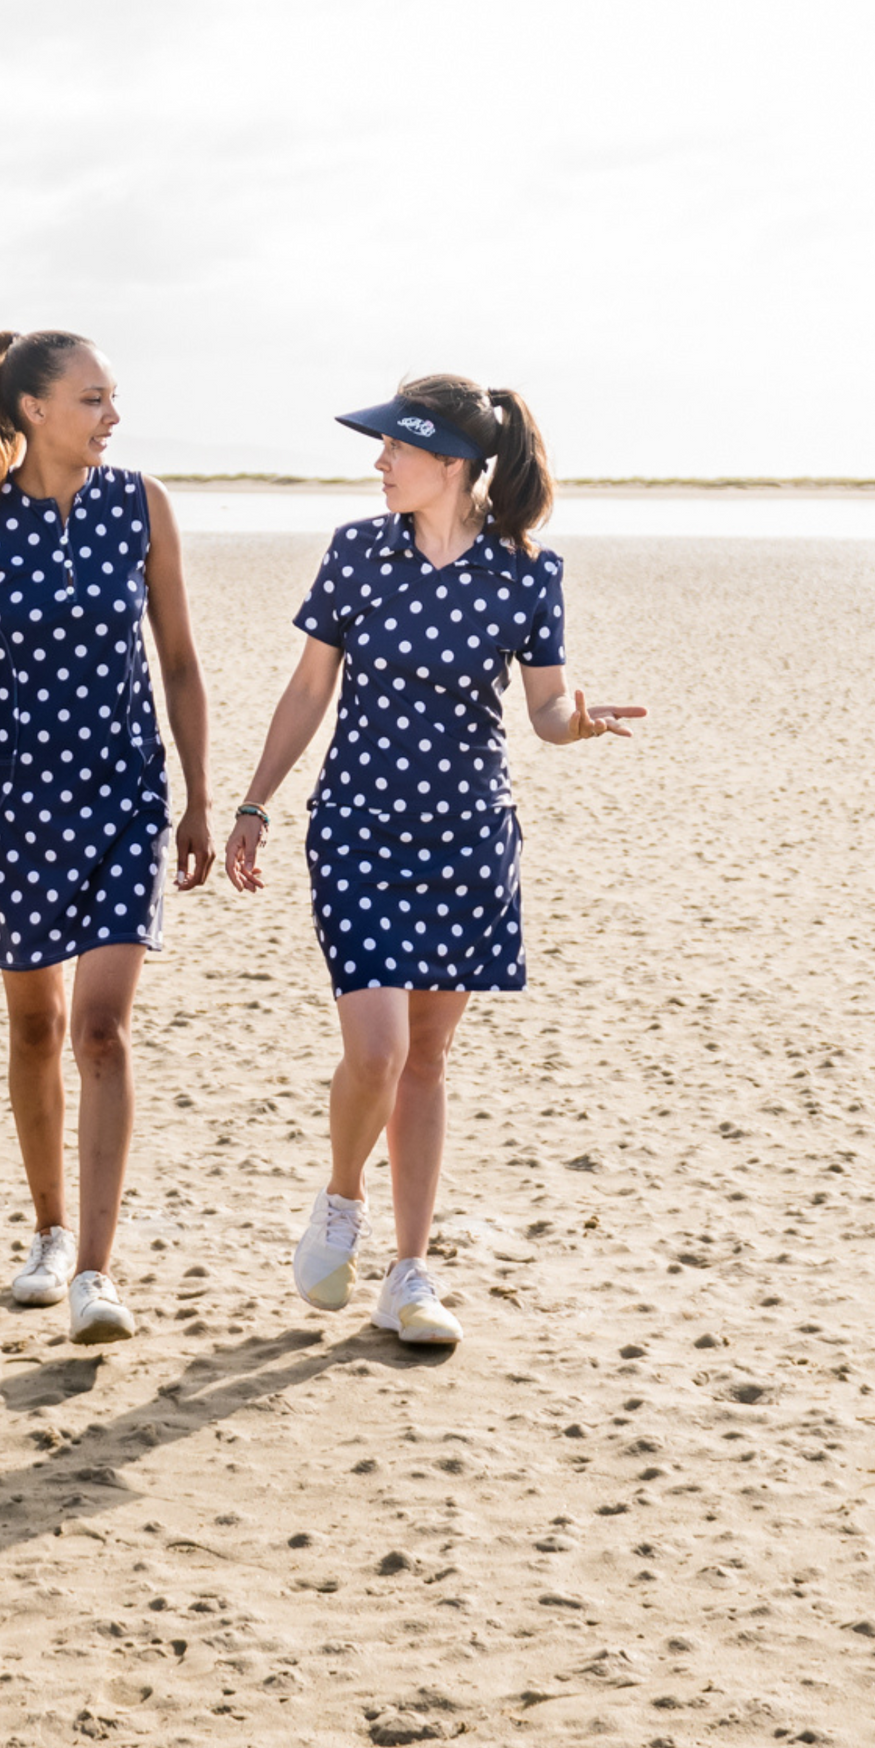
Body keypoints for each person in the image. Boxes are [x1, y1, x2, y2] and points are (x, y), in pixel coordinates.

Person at [224, 373, 644, 1346]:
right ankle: (340, 1199)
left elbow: (542, 709)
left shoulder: (525, 573)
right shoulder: (355, 553)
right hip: (358, 831)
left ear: (447, 465)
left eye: (393, 448)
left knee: (426, 1061)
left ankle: (407, 1274)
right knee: (376, 1052)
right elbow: (305, 691)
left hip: (464, 840)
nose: (377, 462)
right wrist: (253, 801)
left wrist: (576, 722)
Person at [0, 330, 213, 1344]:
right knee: (36, 1027)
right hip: (9, 801)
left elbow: (177, 659)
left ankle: (95, 1268)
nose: (111, 415)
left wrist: (200, 796)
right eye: (92, 397)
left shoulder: (142, 505)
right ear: (34, 408)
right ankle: (47, 1232)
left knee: (100, 1029)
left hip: (124, 795)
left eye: (112, 398)